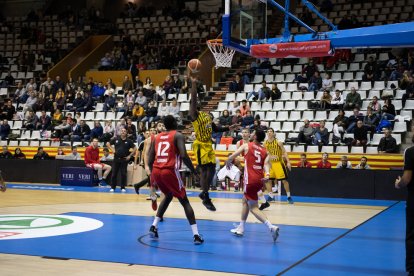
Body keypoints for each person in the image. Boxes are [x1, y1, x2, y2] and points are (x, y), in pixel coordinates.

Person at [147, 115, 203, 244]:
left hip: (156, 170)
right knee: (184, 200)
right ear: (173, 123)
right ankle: (196, 235)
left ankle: (154, 226)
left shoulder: (157, 137)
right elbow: (183, 155)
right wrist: (194, 171)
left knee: (168, 196)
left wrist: (153, 175)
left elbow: (150, 159)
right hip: (169, 171)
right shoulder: (177, 135)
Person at [189, 74, 236, 211]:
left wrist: (229, 128)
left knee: (211, 169)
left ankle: (204, 193)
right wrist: (193, 84)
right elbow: (193, 99)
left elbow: (216, 128)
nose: (197, 102)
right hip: (200, 145)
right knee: (205, 170)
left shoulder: (207, 116)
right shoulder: (194, 115)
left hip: (208, 145)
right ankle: (205, 196)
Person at [225, 129, 279, 242]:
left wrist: (228, 161)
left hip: (250, 179)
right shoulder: (265, 151)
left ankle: (271, 227)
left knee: (253, 207)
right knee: (245, 200)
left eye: (253, 133)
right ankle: (241, 227)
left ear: (254, 137)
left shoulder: (247, 145)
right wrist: (268, 174)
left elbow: (232, 156)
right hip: (260, 179)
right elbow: (266, 165)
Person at [262, 128, 293, 210]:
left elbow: (284, 152)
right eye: (268, 131)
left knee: (284, 181)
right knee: (267, 180)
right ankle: (271, 196)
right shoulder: (265, 143)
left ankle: (289, 197)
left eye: (270, 131)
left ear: (273, 133)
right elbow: (265, 153)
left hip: (279, 163)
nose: (269, 133)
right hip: (270, 164)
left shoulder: (278, 142)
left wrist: (288, 162)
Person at [395, 143, 414, 275]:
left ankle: (412, 269)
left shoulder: (410, 152)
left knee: (412, 235)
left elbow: (407, 179)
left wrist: (398, 183)